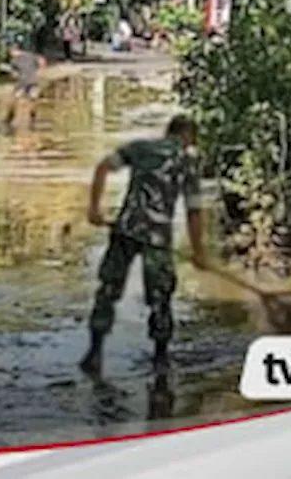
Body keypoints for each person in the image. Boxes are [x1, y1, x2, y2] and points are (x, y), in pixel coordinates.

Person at [80, 114, 207, 376]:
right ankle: (160, 359)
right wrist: (198, 251)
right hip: (157, 238)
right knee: (160, 297)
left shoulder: (140, 148)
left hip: (125, 228)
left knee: (108, 290)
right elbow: (194, 210)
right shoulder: (188, 161)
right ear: (188, 136)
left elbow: (103, 167)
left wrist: (94, 208)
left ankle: (94, 352)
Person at [4, 46, 47, 130]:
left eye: (11, 53)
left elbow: (14, 75)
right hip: (34, 82)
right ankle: (33, 120)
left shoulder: (14, 61)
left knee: (14, 100)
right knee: (33, 101)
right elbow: (42, 60)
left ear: (13, 51)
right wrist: (40, 71)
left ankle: (9, 119)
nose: (11, 55)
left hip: (21, 83)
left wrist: (11, 74)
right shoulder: (30, 55)